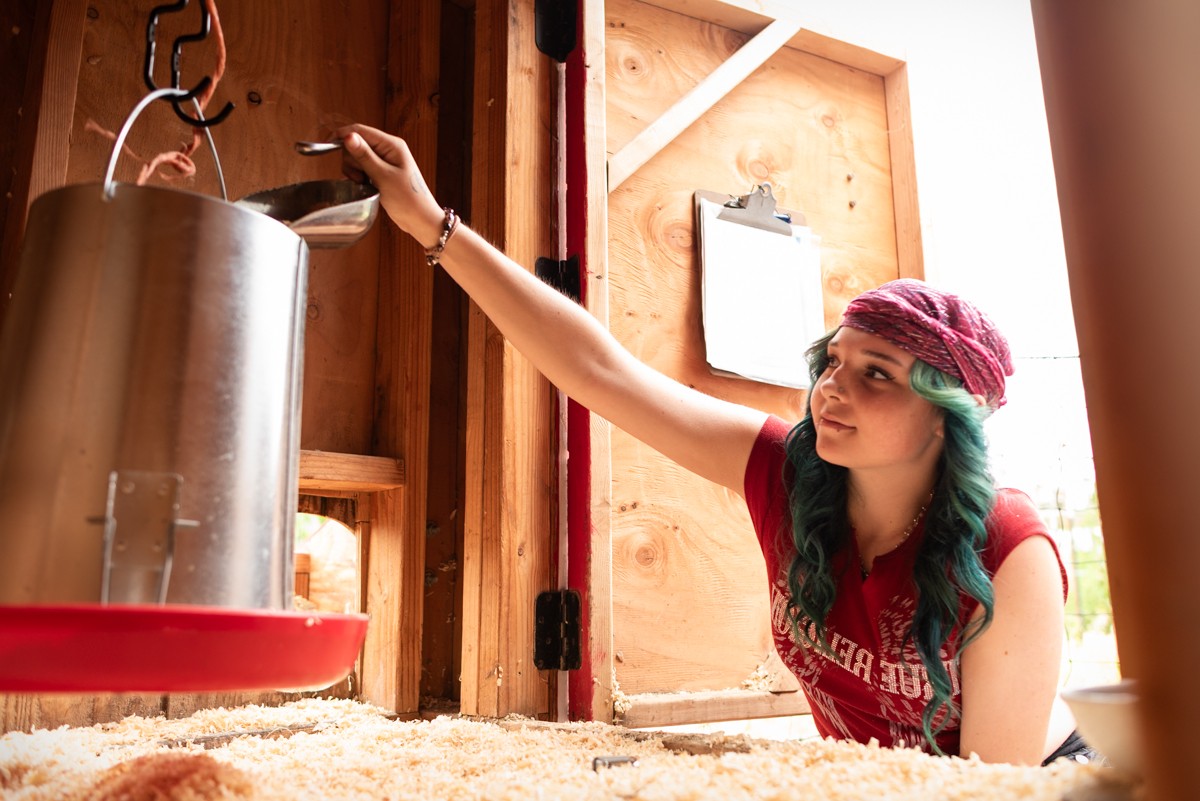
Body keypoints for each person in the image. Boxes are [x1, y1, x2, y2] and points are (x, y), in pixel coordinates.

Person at [335, 123, 1099, 767]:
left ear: (945, 418)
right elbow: (600, 371)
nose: (832, 387)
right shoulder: (788, 468)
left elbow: (992, 789)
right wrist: (431, 223)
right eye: (833, 360)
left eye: (877, 373)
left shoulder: (1007, 547)